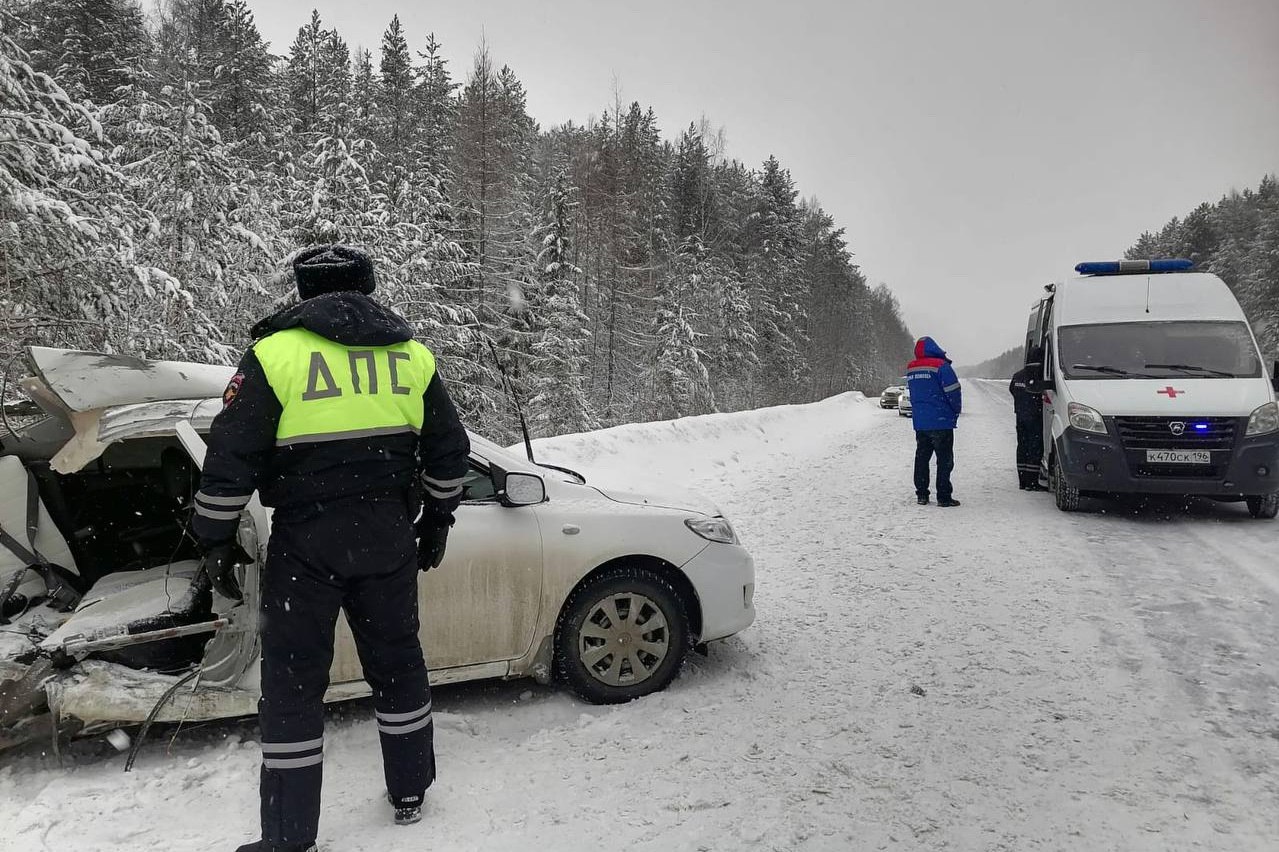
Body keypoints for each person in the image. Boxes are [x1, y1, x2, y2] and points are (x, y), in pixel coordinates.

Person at [192, 244, 471, 852]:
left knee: (293, 685)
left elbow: (230, 457)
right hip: (388, 535)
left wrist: (214, 538)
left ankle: (289, 837)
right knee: (398, 663)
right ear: (368, 287)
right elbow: (451, 452)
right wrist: (437, 520)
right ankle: (410, 790)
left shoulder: (275, 355)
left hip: (307, 540)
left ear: (302, 291)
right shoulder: (412, 355)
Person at [907, 336, 962, 507]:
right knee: (944, 460)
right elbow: (953, 392)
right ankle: (944, 496)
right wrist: (955, 410)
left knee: (922, 458)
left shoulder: (911, 368)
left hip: (921, 422)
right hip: (941, 420)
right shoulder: (941, 366)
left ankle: (922, 494)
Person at [1009, 352, 1047, 491]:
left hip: (1020, 416)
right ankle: (1032, 482)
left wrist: (1021, 404)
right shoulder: (1038, 375)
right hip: (1035, 417)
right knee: (1035, 448)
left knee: (1022, 446)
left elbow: (1012, 390)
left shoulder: (1018, 375)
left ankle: (1022, 481)